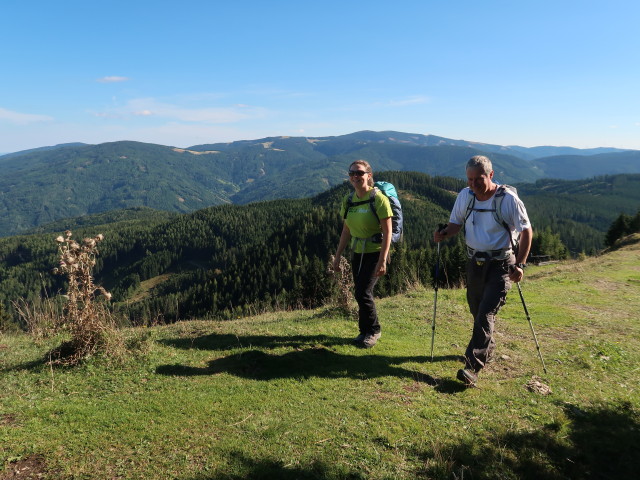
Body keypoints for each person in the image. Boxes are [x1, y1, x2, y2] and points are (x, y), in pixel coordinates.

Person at [434, 155, 533, 386]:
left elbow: (526, 231)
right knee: (476, 310)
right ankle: (486, 350)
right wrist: (444, 233)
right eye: (469, 179)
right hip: (474, 263)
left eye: (478, 179)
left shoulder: (508, 199)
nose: (473, 184)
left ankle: (472, 367)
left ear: (491, 174)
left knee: (484, 314)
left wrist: (520, 264)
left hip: (501, 265)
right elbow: (456, 224)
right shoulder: (465, 196)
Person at [332, 160, 393, 348]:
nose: (355, 176)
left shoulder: (379, 199)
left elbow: (388, 231)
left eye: (359, 173)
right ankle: (364, 331)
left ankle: (373, 331)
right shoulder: (349, 200)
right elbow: (346, 230)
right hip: (357, 251)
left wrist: (383, 260)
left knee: (363, 292)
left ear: (369, 175)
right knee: (360, 293)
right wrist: (337, 256)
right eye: (352, 173)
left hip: (375, 252)